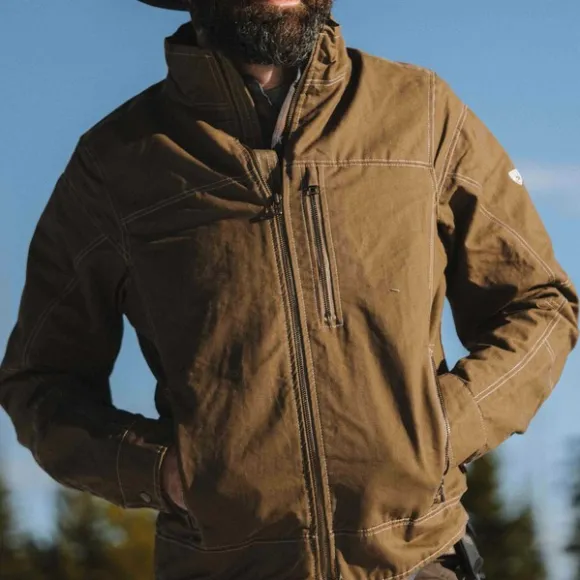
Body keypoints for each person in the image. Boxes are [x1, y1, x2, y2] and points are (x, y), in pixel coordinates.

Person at [0, 0, 577, 578]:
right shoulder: (116, 163)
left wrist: (446, 429)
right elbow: (39, 379)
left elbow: (540, 303)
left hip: (418, 559)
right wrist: (160, 471)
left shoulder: (422, 113)